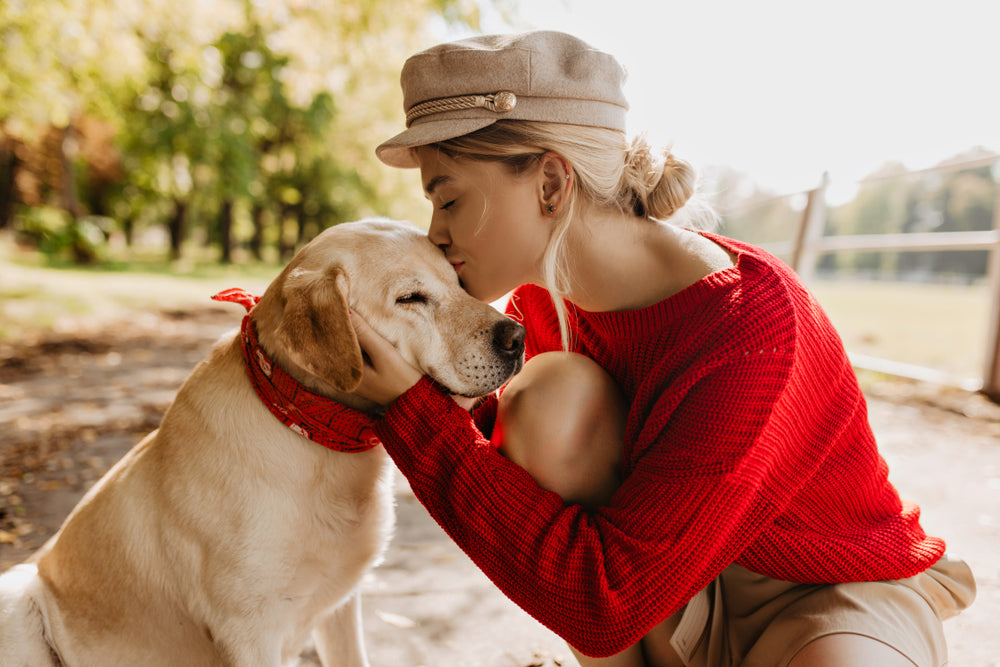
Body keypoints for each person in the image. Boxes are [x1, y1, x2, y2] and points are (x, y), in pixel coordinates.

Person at [348, 30, 976, 667]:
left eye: (448, 197)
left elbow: (603, 602)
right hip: (669, 599)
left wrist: (409, 411)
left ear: (551, 185)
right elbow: (492, 477)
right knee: (547, 396)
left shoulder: (752, 327)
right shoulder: (543, 302)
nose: (436, 233)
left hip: (823, 594)